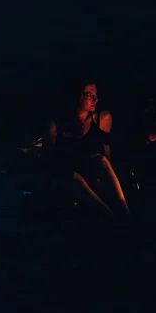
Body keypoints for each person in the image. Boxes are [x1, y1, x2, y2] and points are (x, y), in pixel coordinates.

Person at [47, 78, 129, 220]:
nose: (95, 99)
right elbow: (50, 158)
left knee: (101, 160)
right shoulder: (57, 123)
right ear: (77, 96)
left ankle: (126, 213)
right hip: (68, 173)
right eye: (89, 95)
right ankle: (115, 222)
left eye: (96, 95)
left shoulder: (101, 118)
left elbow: (106, 154)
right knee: (76, 179)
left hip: (90, 171)